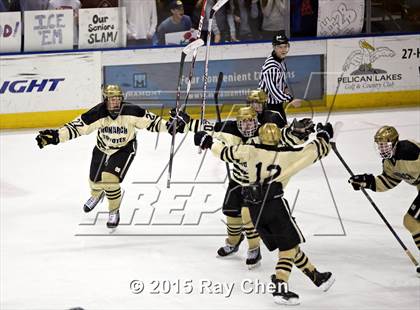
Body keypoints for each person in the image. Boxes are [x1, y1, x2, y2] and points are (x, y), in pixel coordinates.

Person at [194, 122, 335, 305]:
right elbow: (314, 151)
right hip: (274, 206)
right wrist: (324, 136)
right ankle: (280, 285)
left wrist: (206, 141)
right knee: (287, 248)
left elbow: (224, 152)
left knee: (290, 245)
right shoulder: (288, 155)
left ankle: (316, 276)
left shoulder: (249, 150)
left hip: (254, 209)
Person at [35, 85, 187, 228]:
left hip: (124, 149)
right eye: (111, 99)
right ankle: (96, 194)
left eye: (118, 99)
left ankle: (114, 211)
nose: (115, 102)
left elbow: (152, 122)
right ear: (105, 100)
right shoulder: (97, 113)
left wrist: (170, 126)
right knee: (94, 180)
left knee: (109, 179)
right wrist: (56, 136)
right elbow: (77, 128)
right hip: (102, 148)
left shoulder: (132, 111)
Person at [182, 105, 314, 269]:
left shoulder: (264, 131)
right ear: (237, 122)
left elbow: (284, 137)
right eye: (243, 122)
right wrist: (186, 122)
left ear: (256, 121)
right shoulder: (229, 128)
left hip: (255, 186)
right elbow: (206, 126)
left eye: (251, 121)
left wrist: (297, 133)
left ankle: (254, 249)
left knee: (249, 218)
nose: (247, 125)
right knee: (231, 214)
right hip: (237, 181)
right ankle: (233, 242)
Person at [348, 125, 420, 276]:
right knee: (413, 222)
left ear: (394, 142)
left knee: (411, 221)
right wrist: (366, 181)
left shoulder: (408, 151)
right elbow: (389, 181)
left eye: (385, 144)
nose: (382, 148)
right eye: (379, 145)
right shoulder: (389, 162)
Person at [258, 31, 302, 123]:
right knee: (276, 133)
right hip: (268, 106)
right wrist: (290, 99)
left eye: (285, 46)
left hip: (275, 104)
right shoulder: (271, 66)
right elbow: (273, 91)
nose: (283, 50)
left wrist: (285, 88)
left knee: (282, 129)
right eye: (280, 47)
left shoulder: (280, 60)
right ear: (274, 47)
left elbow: (281, 79)